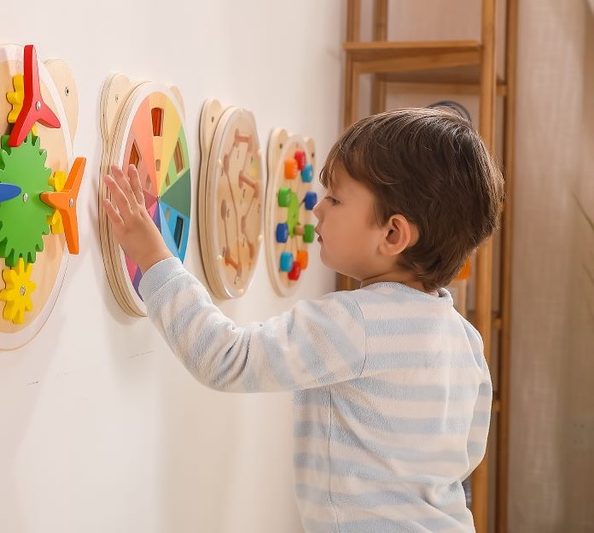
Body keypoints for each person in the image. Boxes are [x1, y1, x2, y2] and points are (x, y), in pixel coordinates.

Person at [102, 107, 504, 532]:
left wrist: (153, 258)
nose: (316, 207)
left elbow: (226, 358)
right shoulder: (467, 342)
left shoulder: (356, 322)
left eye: (334, 197)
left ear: (392, 234)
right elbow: (462, 463)